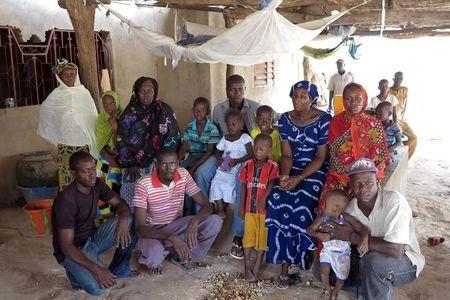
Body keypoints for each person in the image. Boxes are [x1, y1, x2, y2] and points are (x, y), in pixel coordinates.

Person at [320, 158, 425, 300]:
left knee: (373, 261)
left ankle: (374, 285)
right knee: (322, 268)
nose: (363, 188)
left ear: (378, 182)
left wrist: (352, 237)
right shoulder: (350, 209)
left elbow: (396, 250)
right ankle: (370, 284)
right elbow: (338, 235)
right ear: (351, 187)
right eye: (357, 184)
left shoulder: (394, 201)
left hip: (405, 261)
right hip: (368, 259)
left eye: (369, 183)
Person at [265, 81, 331, 290]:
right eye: (295, 95)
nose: (298, 100)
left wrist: (299, 178)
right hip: (292, 167)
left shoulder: (323, 120)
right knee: (276, 197)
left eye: (303, 96)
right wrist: (285, 175)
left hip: (314, 170)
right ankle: (284, 261)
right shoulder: (285, 119)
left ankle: (297, 261)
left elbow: (321, 157)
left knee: (302, 203)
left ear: (312, 99)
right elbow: (286, 154)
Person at [51, 151, 137, 297]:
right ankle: (74, 274)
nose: (92, 174)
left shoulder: (97, 184)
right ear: (74, 174)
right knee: (99, 288)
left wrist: (123, 220)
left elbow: (121, 204)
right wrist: (97, 270)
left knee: (130, 221)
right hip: (72, 250)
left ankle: (119, 268)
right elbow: (66, 246)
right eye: (86, 171)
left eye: (93, 168)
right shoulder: (65, 201)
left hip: (92, 239)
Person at [197, 74, 260, 259]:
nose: (236, 93)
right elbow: (216, 135)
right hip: (224, 153)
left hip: (246, 157)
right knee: (202, 172)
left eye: (240, 89)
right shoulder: (218, 110)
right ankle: (202, 217)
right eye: (233, 89)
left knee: (242, 180)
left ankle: (238, 235)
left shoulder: (254, 108)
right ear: (226, 91)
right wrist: (219, 157)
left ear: (245, 90)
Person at [133, 148, 222, 275]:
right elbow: (139, 228)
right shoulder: (144, 184)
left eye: (173, 163)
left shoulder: (183, 175)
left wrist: (194, 222)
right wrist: (171, 237)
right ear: (156, 165)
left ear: (178, 164)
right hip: (152, 230)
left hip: (175, 225)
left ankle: (185, 257)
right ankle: (152, 255)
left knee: (215, 221)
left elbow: (207, 205)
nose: (169, 168)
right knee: (154, 256)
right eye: (164, 164)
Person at [319, 83, 390, 209]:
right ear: (343, 100)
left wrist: (360, 181)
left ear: (364, 99)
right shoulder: (336, 122)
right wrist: (351, 181)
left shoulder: (374, 123)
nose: (353, 103)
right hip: (340, 176)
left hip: (368, 177)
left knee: (373, 208)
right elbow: (335, 155)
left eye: (358, 98)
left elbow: (380, 157)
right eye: (349, 98)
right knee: (329, 206)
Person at [116, 77, 180, 206]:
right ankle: (134, 219)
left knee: (164, 186)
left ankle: (160, 216)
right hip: (134, 163)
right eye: (142, 91)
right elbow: (121, 140)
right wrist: (130, 163)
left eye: (149, 91)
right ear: (136, 92)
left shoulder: (163, 109)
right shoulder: (128, 114)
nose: (146, 95)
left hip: (160, 160)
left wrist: (163, 160)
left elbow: (173, 135)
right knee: (131, 187)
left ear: (155, 92)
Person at [37, 58, 98, 191]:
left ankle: (86, 201)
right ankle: (69, 205)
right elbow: (46, 111)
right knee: (68, 174)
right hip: (66, 144)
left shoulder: (84, 93)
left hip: (84, 143)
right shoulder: (56, 95)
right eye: (66, 75)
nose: (70, 77)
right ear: (60, 77)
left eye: (72, 74)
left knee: (86, 174)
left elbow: (92, 117)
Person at [307, 190, 368, 299]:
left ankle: (335, 291)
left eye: (325, 204)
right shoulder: (323, 218)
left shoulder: (346, 218)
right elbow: (309, 230)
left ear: (335, 209)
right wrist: (318, 235)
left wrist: (364, 239)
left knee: (342, 277)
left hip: (342, 254)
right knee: (323, 272)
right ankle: (327, 288)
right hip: (327, 251)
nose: (322, 206)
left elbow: (361, 228)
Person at [238, 133, 279, 282]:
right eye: (256, 148)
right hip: (249, 210)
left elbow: (272, 184)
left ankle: (256, 268)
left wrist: (263, 199)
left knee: (261, 241)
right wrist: (241, 206)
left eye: (261, 149)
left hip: (264, 212)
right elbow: (244, 187)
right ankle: (246, 267)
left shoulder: (273, 166)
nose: (257, 151)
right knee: (248, 239)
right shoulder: (247, 165)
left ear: (269, 149)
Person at [210, 109, 253, 220]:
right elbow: (217, 151)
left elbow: (250, 154)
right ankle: (220, 209)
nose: (230, 127)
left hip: (238, 166)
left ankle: (225, 207)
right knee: (216, 182)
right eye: (228, 124)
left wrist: (237, 161)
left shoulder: (245, 138)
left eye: (233, 124)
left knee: (229, 185)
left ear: (241, 124)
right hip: (225, 166)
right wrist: (219, 159)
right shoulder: (225, 138)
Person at [96, 90, 123, 194]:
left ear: (117, 102)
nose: (109, 107)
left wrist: (115, 129)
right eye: (105, 105)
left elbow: (120, 146)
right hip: (105, 157)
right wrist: (109, 159)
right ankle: (103, 210)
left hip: (119, 158)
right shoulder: (100, 120)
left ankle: (115, 209)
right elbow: (100, 145)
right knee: (99, 185)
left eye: (112, 103)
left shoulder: (124, 118)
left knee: (113, 186)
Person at [389, 71, 417, 158]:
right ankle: (397, 160)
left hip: (402, 119)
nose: (398, 80)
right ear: (393, 79)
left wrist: (403, 116)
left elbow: (405, 105)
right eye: (397, 78)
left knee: (413, 138)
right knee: (398, 140)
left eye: (400, 78)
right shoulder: (388, 90)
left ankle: (406, 159)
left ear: (402, 79)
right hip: (392, 119)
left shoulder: (405, 89)